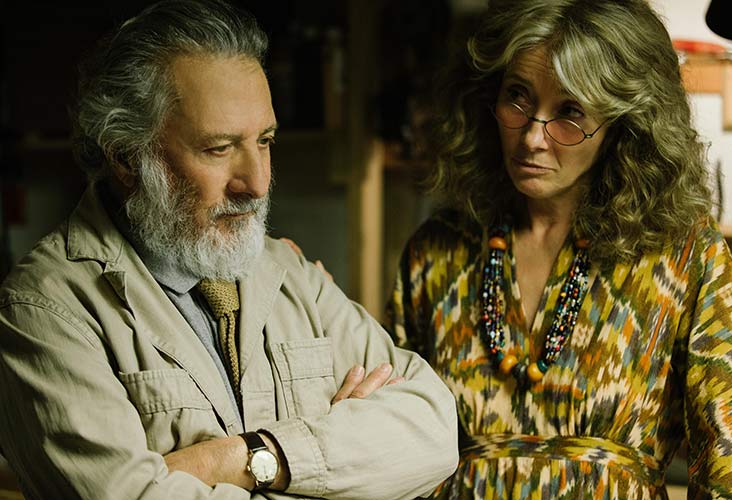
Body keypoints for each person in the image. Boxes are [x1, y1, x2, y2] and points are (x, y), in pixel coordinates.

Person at [0, 1, 459, 499]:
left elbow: (434, 430)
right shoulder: (45, 311)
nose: (257, 184)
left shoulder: (288, 269)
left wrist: (250, 458)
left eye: (264, 141)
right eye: (218, 149)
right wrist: (347, 471)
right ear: (128, 157)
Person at [384, 0, 732, 498]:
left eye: (570, 112)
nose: (532, 137)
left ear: (623, 122)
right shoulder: (436, 252)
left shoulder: (683, 254)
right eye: (517, 97)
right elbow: (390, 435)